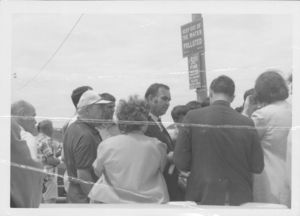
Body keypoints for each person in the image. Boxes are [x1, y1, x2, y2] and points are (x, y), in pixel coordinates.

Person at [175, 75, 264, 205]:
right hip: (239, 199)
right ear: (233, 98)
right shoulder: (247, 123)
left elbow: (181, 162)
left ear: (210, 93)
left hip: (202, 197)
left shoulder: (192, 117)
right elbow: (257, 166)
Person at [89, 95, 169, 203]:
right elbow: (161, 169)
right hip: (150, 204)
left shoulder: (106, 145)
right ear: (145, 121)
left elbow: (97, 171)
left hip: (112, 204)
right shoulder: (158, 146)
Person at [242, 70, 292, 207]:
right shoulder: (292, 110)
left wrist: (246, 111)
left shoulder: (263, 115)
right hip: (291, 179)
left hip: (269, 183)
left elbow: (242, 138)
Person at [63, 90, 113, 203]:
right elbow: (83, 174)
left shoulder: (73, 128)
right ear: (87, 110)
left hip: (75, 193)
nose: (103, 111)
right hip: (84, 196)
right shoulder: (86, 135)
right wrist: (94, 200)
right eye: (99, 107)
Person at [144, 83, 183, 201]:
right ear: (150, 98)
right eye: (164, 99)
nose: (167, 103)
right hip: (156, 189)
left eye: (169, 100)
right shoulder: (144, 124)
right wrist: (168, 158)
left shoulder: (157, 122)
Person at [11, 102, 45, 208]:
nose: (35, 121)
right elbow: (29, 173)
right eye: (33, 116)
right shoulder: (26, 137)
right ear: (22, 115)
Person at [36, 120, 61, 203]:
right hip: (48, 177)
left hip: (36, 175)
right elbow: (51, 160)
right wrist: (59, 160)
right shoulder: (48, 141)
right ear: (49, 129)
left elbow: (43, 157)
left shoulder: (35, 139)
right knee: (50, 202)